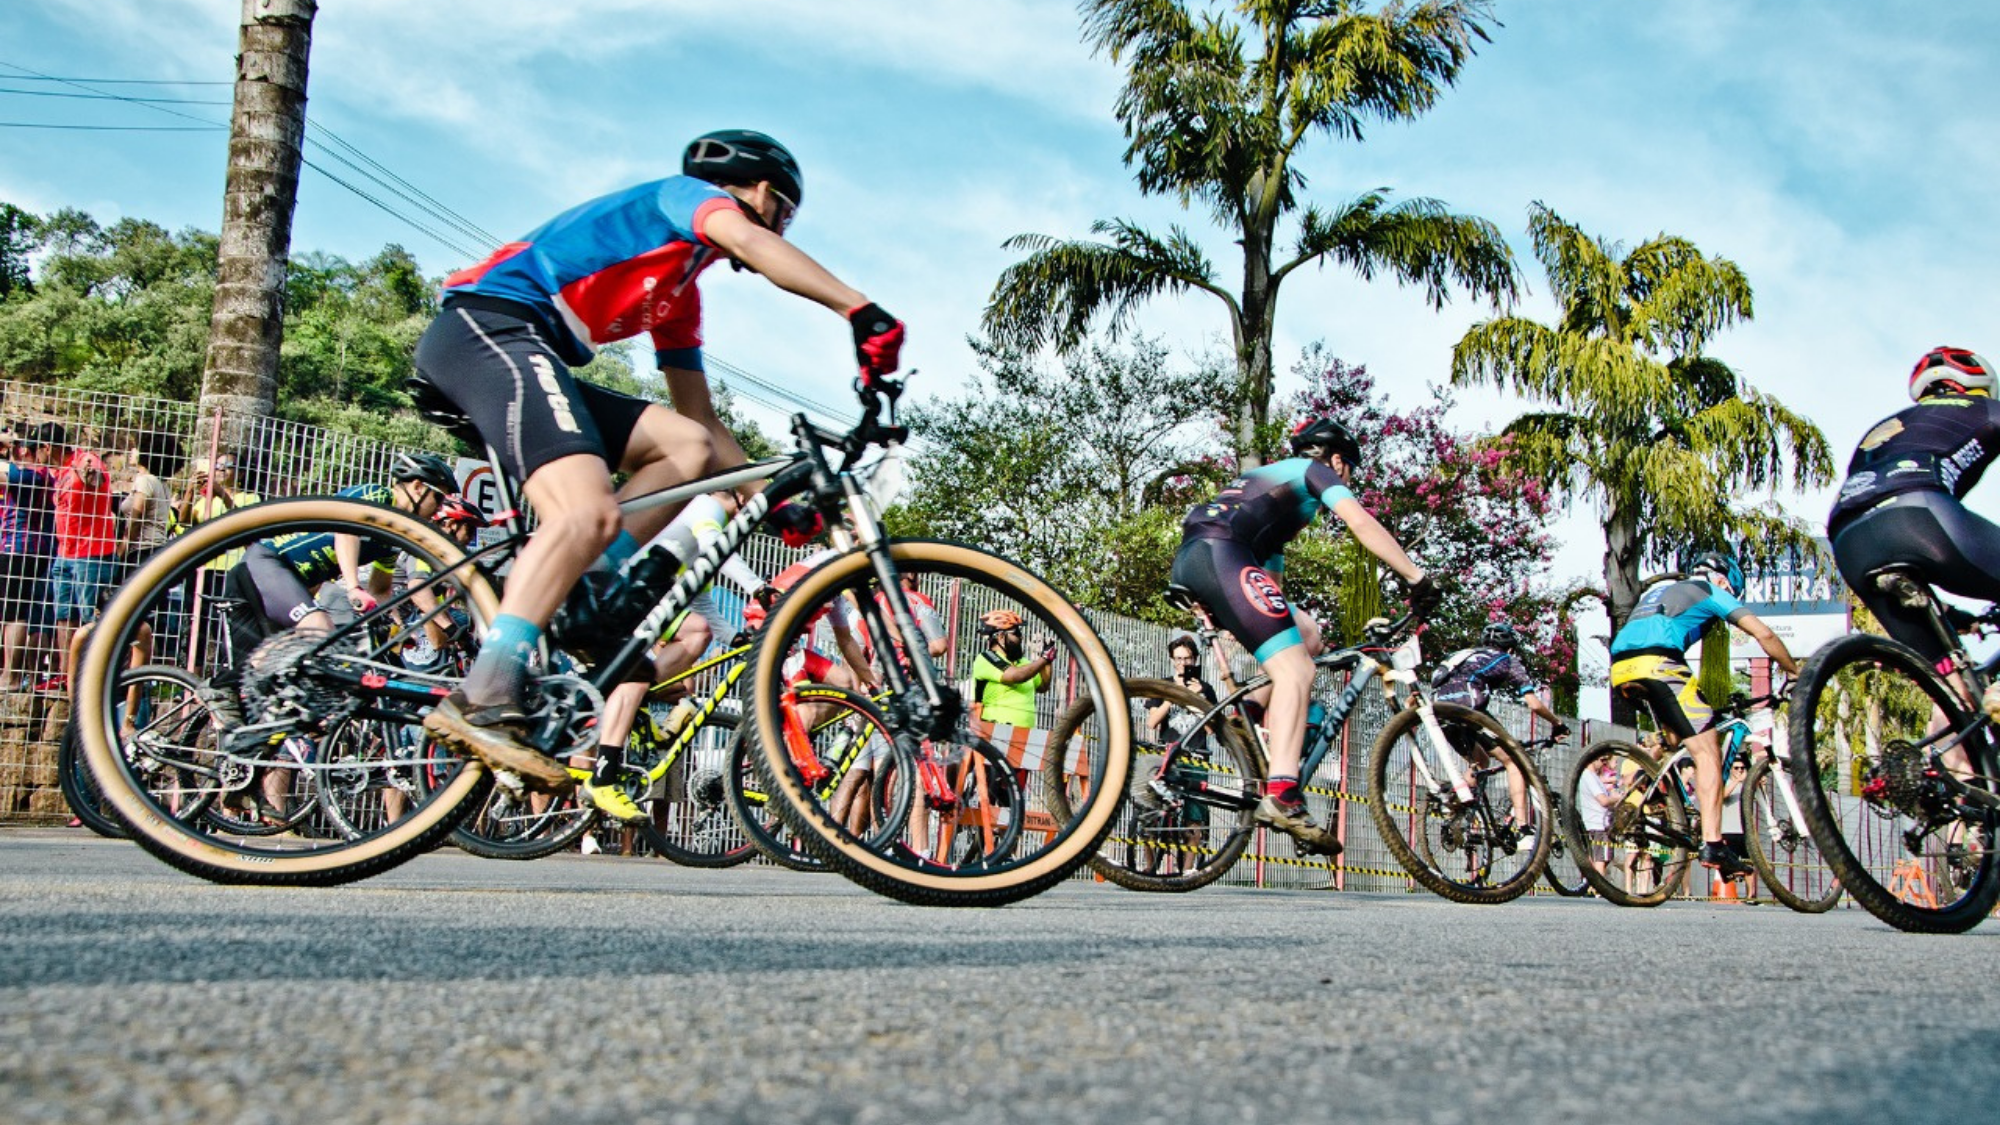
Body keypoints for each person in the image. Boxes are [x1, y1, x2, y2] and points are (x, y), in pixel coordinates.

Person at [412, 128, 904, 792]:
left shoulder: (680, 295)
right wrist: (860, 310)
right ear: (758, 191)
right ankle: (485, 690)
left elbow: (700, 421)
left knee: (689, 449)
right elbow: (750, 239)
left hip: (528, 348)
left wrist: (773, 493)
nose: (780, 230)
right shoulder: (684, 198)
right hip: (489, 327)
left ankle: (585, 589)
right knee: (584, 510)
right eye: (784, 213)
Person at [1171, 416, 1439, 853]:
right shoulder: (1313, 471)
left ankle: (1247, 718)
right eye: (1347, 469)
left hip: (1205, 556)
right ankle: (1282, 793)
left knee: (1308, 636)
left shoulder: (1271, 491)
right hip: (1221, 554)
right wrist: (1417, 578)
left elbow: (1270, 593)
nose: (1346, 478)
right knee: (1298, 672)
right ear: (1336, 459)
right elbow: (1361, 524)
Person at [1606, 549, 1797, 879]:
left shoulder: (1659, 591)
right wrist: (1793, 673)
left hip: (1622, 666)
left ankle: (1641, 793)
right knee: (1706, 750)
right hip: (1660, 663)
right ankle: (1712, 843)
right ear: (1723, 581)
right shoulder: (1711, 591)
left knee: (1676, 739)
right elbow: (1763, 633)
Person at [1825, 348, 2000, 706]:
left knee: (1951, 688)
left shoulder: (1884, 428)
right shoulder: (1984, 410)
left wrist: (1952, 615)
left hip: (1848, 538)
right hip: (1919, 515)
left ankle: (1948, 760)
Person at [1430, 620, 1570, 846]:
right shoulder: (1508, 660)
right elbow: (1533, 704)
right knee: (1514, 760)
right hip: (1469, 708)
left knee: (1479, 763)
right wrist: (1557, 723)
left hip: (1439, 711)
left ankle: (1456, 811)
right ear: (1511, 648)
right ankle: (1524, 829)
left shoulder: (1464, 654)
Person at [51, 426, 121, 685]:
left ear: (48, 449)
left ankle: (91, 678)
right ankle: (66, 675)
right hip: (65, 553)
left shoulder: (85, 459)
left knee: (89, 616)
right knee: (64, 615)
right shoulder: (59, 472)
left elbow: (97, 479)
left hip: (91, 553)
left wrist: (89, 472)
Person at [0, 424, 58, 691]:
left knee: (14, 613)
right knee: (33, 613)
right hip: (42, 547)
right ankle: (29, 676)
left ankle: (10, 675)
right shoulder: (50, 476)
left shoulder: (27, 476)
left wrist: (6, 441)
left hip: (18, 546)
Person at [1149, 634, 1218, 750]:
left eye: (1187, 658)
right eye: (1178, 659)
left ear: (1194, 659)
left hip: (1197, 754)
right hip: (1168, 750)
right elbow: (1152, 723)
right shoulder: (1162, 685)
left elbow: (1211, 729)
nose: (1183, 663)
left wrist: (1197, 698)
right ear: (1172, 660)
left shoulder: (1205, 689)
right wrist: (1174, 695)